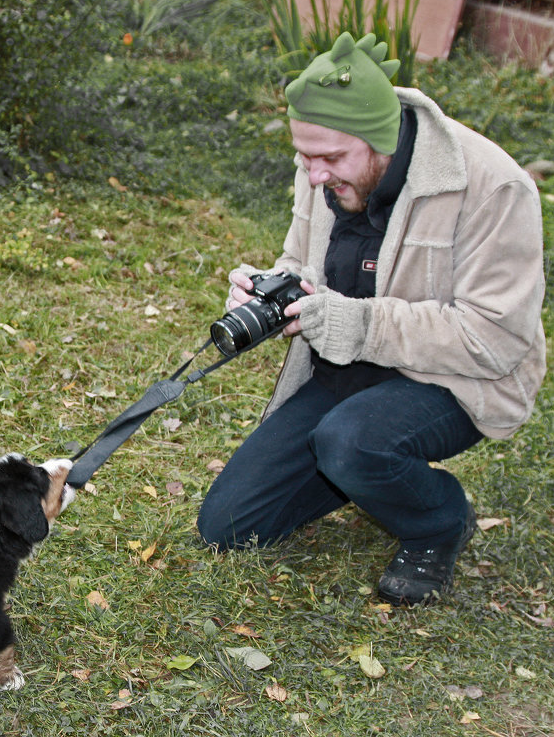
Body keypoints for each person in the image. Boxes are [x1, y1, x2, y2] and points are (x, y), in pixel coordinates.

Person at [196, 32, 546, 605]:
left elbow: (495, 336)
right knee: (229, 528)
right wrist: (272, 292)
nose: (313, 175)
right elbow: (300, 259)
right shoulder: (322, 168)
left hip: (456, 380)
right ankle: (364, 468)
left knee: (351, 441)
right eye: (304, 157)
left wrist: (355, 325)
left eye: (330, 159)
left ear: (380, 141)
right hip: (348, 369)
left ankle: (436, 519)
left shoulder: (495, 185)